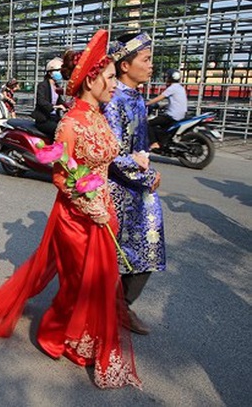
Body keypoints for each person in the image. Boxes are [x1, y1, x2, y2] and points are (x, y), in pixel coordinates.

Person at [0, 30, 141, 389]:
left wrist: (132, 171)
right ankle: (54, 334)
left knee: (100, 281)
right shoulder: (70, 123)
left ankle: (85, 338)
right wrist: (88, 203)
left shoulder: (101, 116)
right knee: (78, 283)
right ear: (92, 80)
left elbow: (105, 160)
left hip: (102, 212)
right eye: (111, 77)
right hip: (76, 217)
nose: (116, 84)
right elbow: (61, 176)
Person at [103, 31, 166, 336]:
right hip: (116, 190)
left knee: (147, 248)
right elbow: (113, 153)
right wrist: (147, 176)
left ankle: (121, 305)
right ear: (125, 65)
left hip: (138, 189)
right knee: (113, 255)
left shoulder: (136, 97)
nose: (151, 65)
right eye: (146, 59)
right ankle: (110, 309)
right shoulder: (113, 100)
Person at [146, 69, 188, 149]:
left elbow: (160, 97)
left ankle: (154, 143)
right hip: (180, 115)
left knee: (148, 123)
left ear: (169, 78)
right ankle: (163, 141)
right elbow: (176, 102)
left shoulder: (172, 88)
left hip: (172, 116)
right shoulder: (180, 87)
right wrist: (163, 106)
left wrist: (146, 103)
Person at [31, 57, 66, 140]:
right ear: (50, 73)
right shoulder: (42, 85)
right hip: (44, 120)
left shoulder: (57, 87)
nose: (60, 73)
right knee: (60, 130)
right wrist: (56, 107)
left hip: (54, 118)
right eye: (57, 71)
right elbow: (41, 101)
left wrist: (69, 106)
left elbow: (60, 101)